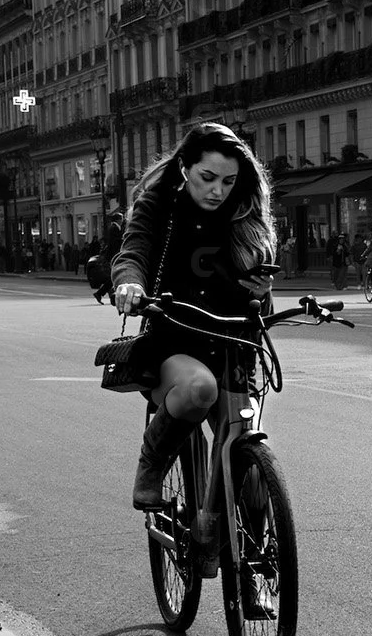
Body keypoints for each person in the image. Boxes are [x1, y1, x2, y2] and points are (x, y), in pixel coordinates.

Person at [111, 122, 276, 511]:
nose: (218, 190)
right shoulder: (160, 205)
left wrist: (262, 293)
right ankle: (152, 462)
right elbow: (133, 253)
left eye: (228, 181)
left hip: (235, 348)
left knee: (254, 483)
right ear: (186, 167)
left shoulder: (246, 215)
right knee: (200, 389)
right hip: (174, 344)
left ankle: (246, 559)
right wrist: (129, 285)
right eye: (208, 177)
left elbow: (261, 294)